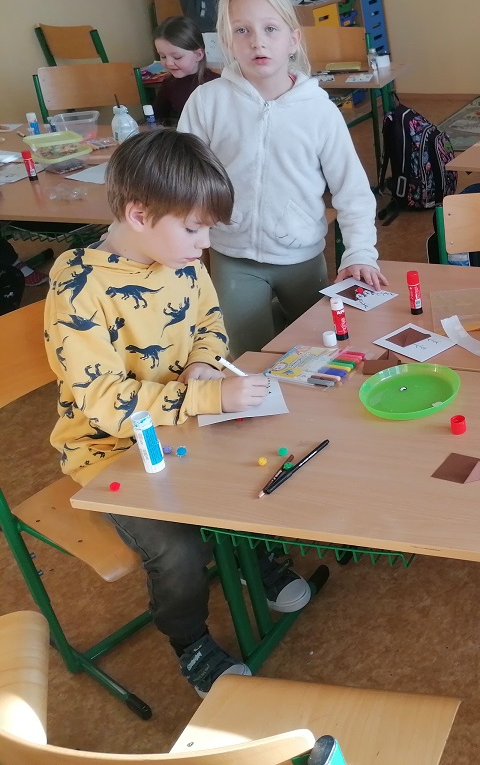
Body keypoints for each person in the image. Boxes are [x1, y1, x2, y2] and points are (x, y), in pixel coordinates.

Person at [43, 130, 313, 697]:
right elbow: (105, 403)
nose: (204, 242)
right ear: (140, 215)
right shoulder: (78, 285)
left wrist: (204, 364)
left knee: (258, 474)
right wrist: (209, 397)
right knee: (177, 550)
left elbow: (209, 325)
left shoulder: (182, 259)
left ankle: (253, 557)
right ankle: (189, 640)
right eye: (194, 228)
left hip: (182, 419)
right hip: (110, 450)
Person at [179, 0, 386, 356]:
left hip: (301, 258)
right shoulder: (207, 101)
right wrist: (184, 240)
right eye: (242, 30)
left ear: (293, 40)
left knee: (317, 350)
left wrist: (360, 252)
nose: (257, 42)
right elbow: (184, 180)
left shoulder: (319, 111)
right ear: (226, 41)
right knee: (250, 355)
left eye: (270, 29)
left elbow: (352, 192)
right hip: (232, 256)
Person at [153, 15, 218, 126]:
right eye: (163, 56)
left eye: (177, 57)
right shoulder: (169, 84)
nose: (168, 63)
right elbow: (156, 119)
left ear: (198, 55)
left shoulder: (217, 84)